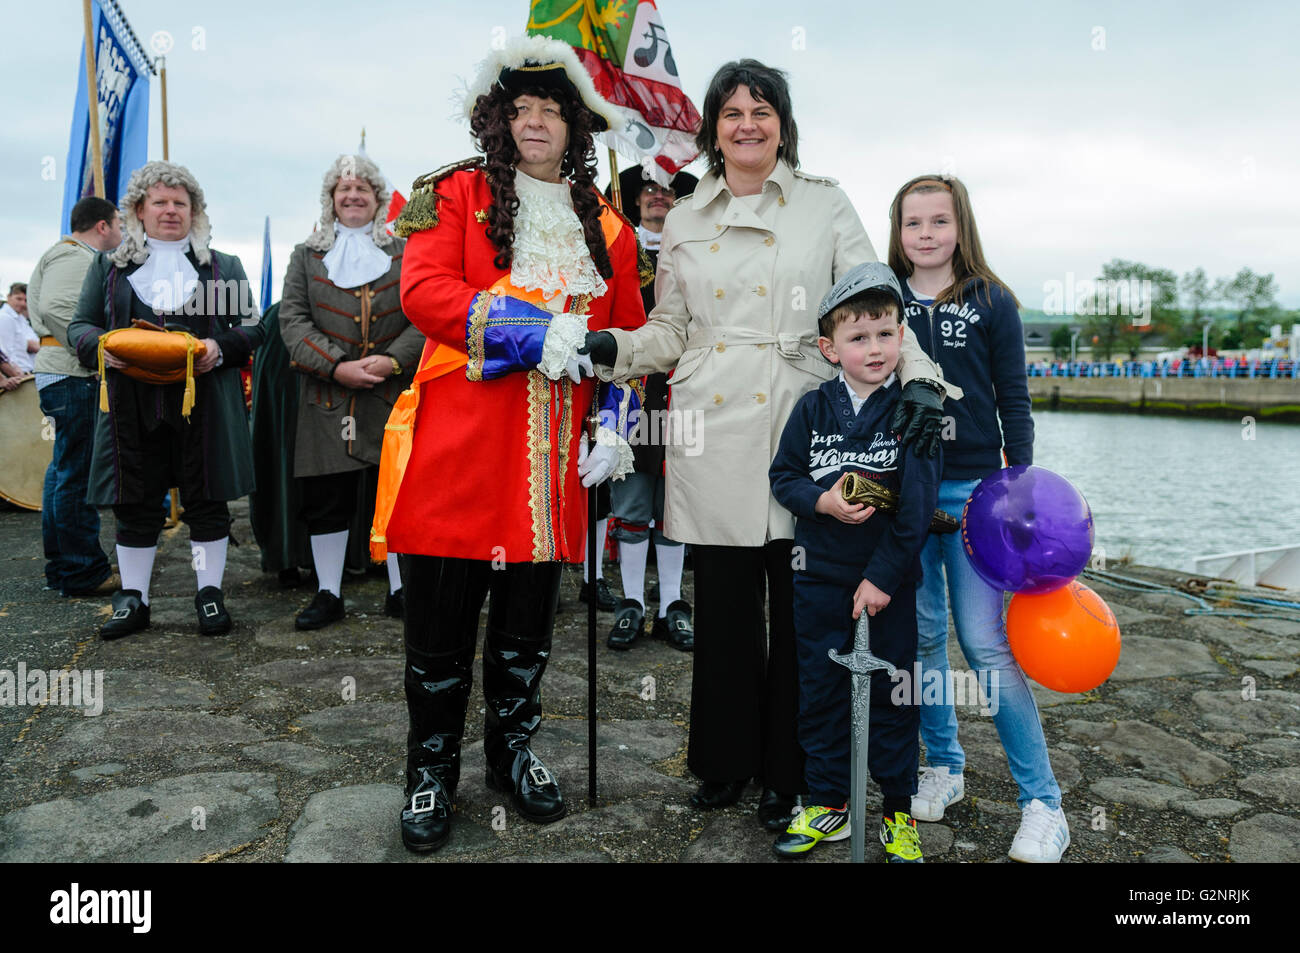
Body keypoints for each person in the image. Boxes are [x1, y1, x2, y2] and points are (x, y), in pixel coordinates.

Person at [581, 59, 956, 830]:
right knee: (721, 609)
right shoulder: (683, 216)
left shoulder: (824, 203)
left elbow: (877, 300)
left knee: (801, 613)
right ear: (712, 127)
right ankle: (723, 762)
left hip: (804, 422)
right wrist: (613, 347)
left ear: (783, 123)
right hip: (711, 424)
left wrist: (920, 381)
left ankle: (795, 770)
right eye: (731, 112)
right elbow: (671, 329)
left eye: (762, 110)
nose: (747, 124)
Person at [384, 34, 646, 852]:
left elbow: (629, 340)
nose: (536, 121)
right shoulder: (453, 194)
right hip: (457, 455)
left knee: (528, 629)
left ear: (575, 126)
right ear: (500, 121)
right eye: (521, 108)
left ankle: (512, 751)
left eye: (551, 109)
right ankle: (430, 769)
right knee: (438, 631)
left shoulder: (609, 227)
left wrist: (618, 424)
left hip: (552, 470)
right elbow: (424, 293)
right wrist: (533, 332)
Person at [888, 173, 1067, 862]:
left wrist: (1018, 487)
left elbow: (1014, 399)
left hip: (975, 496)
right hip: (908, 495)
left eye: (939, 221)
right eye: (913, 223)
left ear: (961, 226)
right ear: (898, 230)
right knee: (925, 638)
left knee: (987, 644)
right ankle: (945, 762)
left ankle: (1043, 802)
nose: (926, 234)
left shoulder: (994, 300)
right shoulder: (887, 299)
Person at [768, 262, 939, 861]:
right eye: (858, 337)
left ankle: (898, 812)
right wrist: (821, 502)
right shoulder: (812, 408)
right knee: (820, 692)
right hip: (816, 577)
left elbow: (916, 511)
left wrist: (882, 578)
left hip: (886, 586)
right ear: (829, 348)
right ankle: (827, 803)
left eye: (886, 333)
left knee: (894, 697)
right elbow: (783, 477)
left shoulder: (915, 411)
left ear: (901, 337)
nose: (874, 348)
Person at [69, 161, 265, 640]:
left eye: (180, 202)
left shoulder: (223, 267)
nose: (171, 210)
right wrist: (103, 348)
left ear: (194, 210)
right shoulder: (109, 267)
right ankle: (134, 599)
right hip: (131, 405)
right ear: (139, 209)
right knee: (134, 503)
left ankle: (209, 594)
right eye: (160, 201)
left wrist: (221, 347)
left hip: (205, 403)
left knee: (206, 500)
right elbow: (80, 326)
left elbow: (256, 327)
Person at [278, 154, 421, 629]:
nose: (353, 195)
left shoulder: (406, 253)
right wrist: (337, 366)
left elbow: (424, 314)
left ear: (379, 200)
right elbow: (293, 322)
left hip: (392, 392)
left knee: (399, 494)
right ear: (331, 200)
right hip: (328, 396)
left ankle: (402, 589)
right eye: (344, 189)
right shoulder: (305, 255)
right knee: (327, 497)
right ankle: (328, 592)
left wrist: (393, 360)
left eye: (363, 188)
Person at [603, 164, 698, 652]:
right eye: (649, 191)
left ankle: (672, 607)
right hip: (633, 394)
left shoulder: (697, 253)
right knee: (634, 504)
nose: (658, 197)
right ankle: (633, 603)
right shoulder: (618, 253)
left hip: (688, 395)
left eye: (667, 191)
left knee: (676, 506)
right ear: (635, 200)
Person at [26, 196, 123, 596]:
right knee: (77, 475)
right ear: (102, 226)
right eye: (118, 224)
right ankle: (83, 570)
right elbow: (57, 307)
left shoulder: (63, 254)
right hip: (74, 374)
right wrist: (97, 348)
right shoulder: (74, 257)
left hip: (62, 373)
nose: (120, 232)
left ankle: (64, 568)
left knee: (63, 472)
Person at [0, 283, 39, 373]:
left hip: (27, 370)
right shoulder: (4, 317)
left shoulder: (20, 319)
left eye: (25, 300)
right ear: (9, 297)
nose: (22, 303)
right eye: (18, 299)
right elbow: (5, 352)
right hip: (17, 375)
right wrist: (17, 375)